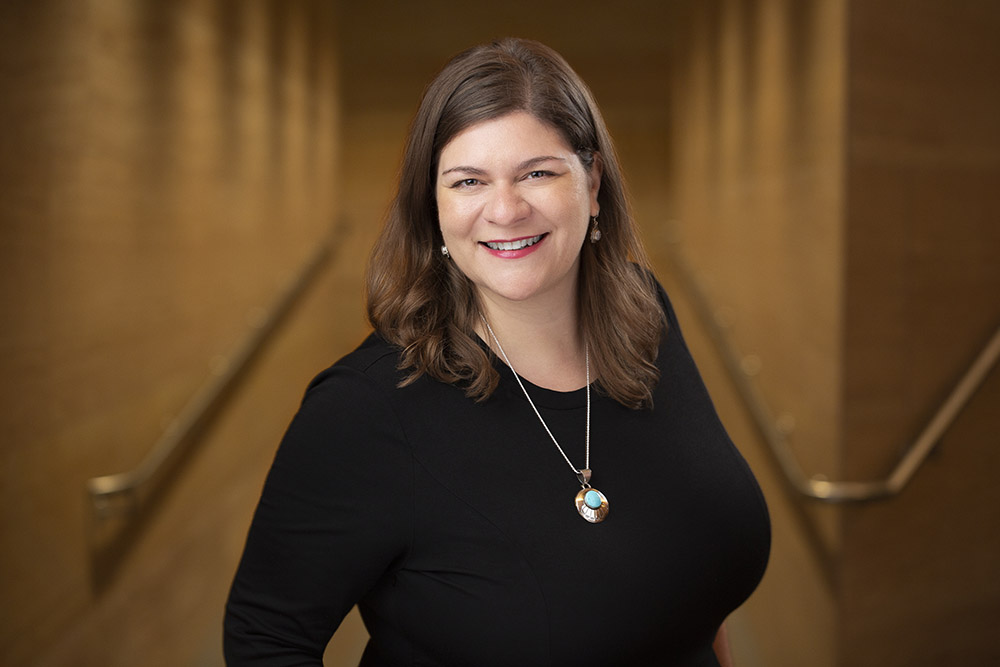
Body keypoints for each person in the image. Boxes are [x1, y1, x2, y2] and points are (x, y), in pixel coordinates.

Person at [224, 38, 770, 667]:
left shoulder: (644, 316)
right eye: (469, 181)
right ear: (433, 209)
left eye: (538, 172)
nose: (506, 209)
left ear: (592, 183)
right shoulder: (363, 412)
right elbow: (265, 641)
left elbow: (694, 595)